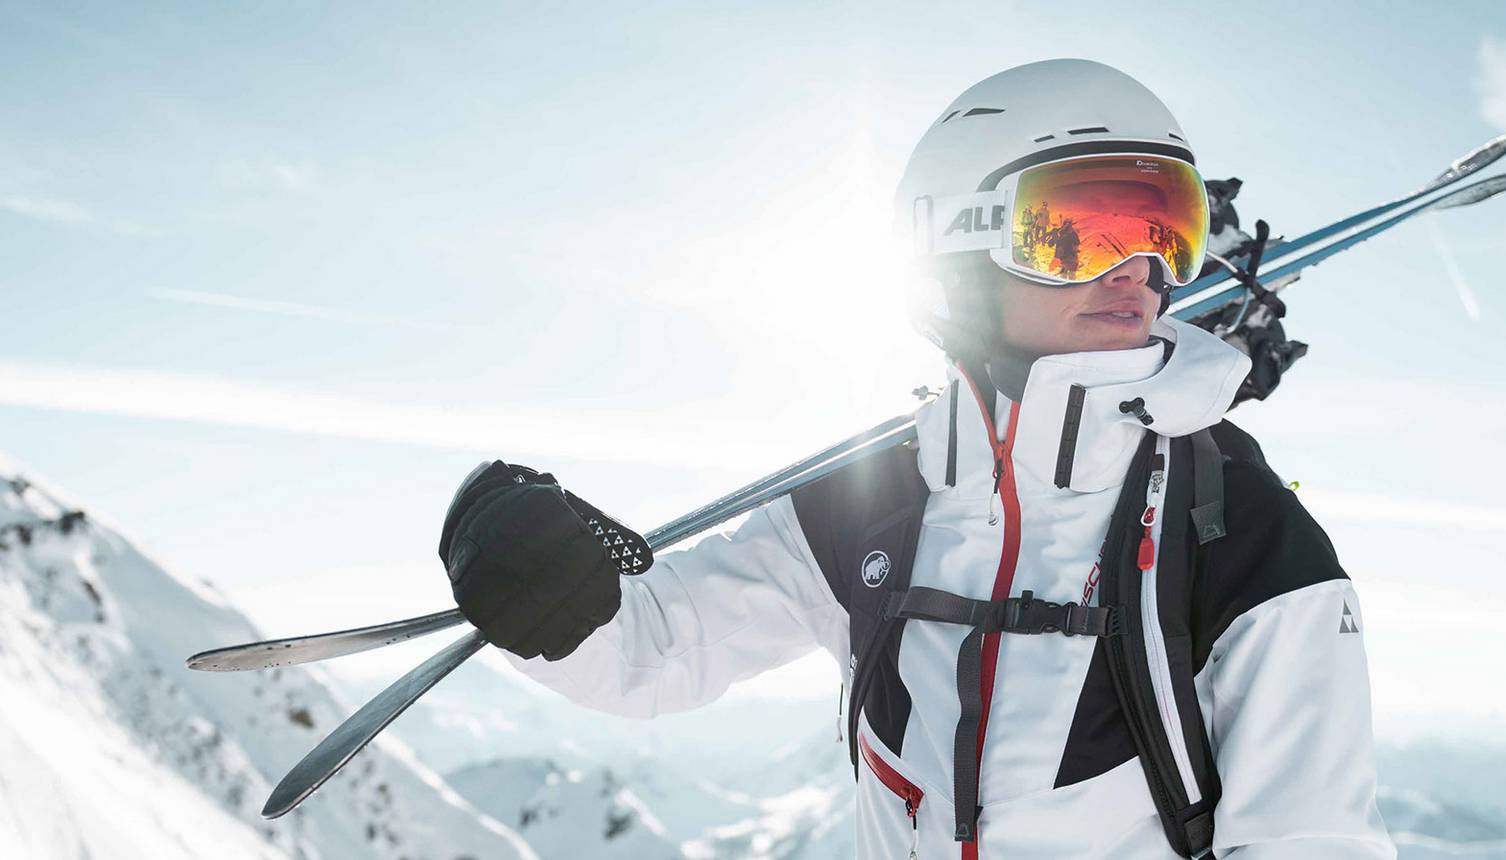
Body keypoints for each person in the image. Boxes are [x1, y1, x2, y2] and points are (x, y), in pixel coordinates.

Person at [438, 59, 1394, 858]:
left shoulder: (1242, 531)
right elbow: (654, 652)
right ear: (958, 244)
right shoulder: (867, 501)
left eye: (1163, 227)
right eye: (1084, 228)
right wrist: (549, 596)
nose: (1137, 270)